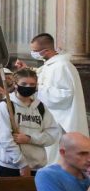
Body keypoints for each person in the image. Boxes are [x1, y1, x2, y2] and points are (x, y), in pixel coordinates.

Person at [33, 33, 89, 163]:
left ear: (46, 51)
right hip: (51, 118)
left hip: (59, 122)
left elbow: (64, 96)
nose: (33, 53)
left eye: (35, 51)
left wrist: (39, 88)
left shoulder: (61, 66)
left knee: (55, 158)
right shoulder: (52, 64)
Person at [0, 68, 61, 177]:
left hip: (36, 165)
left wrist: (29, 139)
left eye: (32, 84)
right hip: (11, 165)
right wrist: (22, 164)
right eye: (24, 84)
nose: (28, 87)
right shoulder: (6, 106)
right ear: (15, 84)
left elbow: (52, 135)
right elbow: (4, 138)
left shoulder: (41, 107)